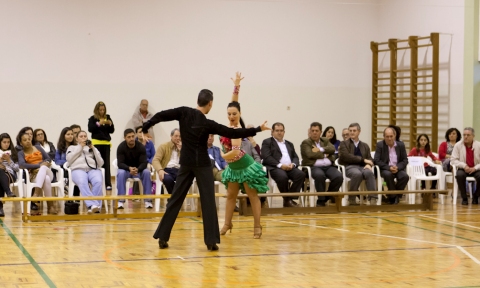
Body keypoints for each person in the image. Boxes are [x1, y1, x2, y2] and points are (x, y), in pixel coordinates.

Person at [142, 87, 270, 251]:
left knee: (175, 199)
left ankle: (162, 236)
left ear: (198, 100)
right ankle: (210, 241)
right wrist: (258, 129)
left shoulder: (183, 112)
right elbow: (232, 133)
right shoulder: (207, 123)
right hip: (202, 164)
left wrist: (146, 125)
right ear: (210, 104)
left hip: (186, 163)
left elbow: (161, 115)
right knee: (208, 200)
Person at [220, 72, 268, 239]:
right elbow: (234, 102)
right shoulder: (228, 126)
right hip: (233, 167)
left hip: (245, 166)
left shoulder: (239, 131)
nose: (232, 116)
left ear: (240, 115)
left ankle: (257, 225)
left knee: (252, 195)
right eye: (229, 114)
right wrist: (237, 85)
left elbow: (236, 152)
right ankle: (227, 223)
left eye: (234, 114)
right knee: (231, 195)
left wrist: (221, 155)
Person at [262, 122, 306, 207]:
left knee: (301, 174)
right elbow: (267, 157)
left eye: (281, 130)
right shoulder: (267, 142)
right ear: (272, 132)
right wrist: (280, 165)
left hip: (290, 167)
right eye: (277, 130)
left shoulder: (289, 144)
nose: (279, 132)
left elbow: (295, 157)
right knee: (283, 177)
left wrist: (293, 164)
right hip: (276, 167)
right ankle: (288, 200)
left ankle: (289, 199)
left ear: (284, 132)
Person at [301, 122, 343, 207]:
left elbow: (332, 149)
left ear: (321, 132)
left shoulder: (325, 140)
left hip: (328, 166)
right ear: (310, 131)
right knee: (320, 175)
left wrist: (320, 149)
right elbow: (310, 154)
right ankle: (321, 200)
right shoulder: (306, 142)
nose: (314, 132)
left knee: (338, 176)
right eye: (312, 130)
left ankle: (326, 196)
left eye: (316, 130)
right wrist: (324, 154)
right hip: (313, 166)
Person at [18, 133, 58, 215]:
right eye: (25, 140)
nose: (28, 141)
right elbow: (22, 165)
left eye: (29, 139)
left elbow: (48, 158)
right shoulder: (21, 153)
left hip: (47, 171)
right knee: (46, 179)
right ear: (21, 143)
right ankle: (50, 206)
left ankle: (36, 193)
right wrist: (38, 165)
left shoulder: (38, 147)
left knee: (43, 169)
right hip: (34, 175)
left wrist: (44, 164)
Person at [66, 130, 105, 213]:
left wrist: (93, 149)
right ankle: (93, 205)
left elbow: (101, 163)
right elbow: (69, 160)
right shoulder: (72, 148)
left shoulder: (92, 148)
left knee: (98, 181)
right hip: (78, 169)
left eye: (85, 136)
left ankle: (93, 207)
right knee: (82, 181)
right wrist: (80, 147)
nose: (83, 138)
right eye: (81, 136)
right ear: (76, 139)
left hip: (92, 169)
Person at [338, 123, 377, 205]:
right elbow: (347, 157)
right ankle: (352, 198)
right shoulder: (344, 144)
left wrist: (369, 164)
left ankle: (373, 198)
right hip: (349, 166)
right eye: (350, 130)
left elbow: (369, 158)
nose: (352, 132)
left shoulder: (364, 145)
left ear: (359, 132)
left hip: (362, 167)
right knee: (357, 174)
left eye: (354, 131)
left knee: (369, 173)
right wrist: (363, 160)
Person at [116, 129, 153, 209]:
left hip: (139, 170)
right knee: (120, 173)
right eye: (129, 137)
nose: (131, 138)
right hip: (126, 170)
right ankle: (120, 201)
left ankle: (148, 201)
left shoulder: (140, 147)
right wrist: (129, 168)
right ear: (125, 138)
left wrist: (138, 169)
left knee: (147, 172)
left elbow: (144, 163)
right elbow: (120, 164)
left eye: (133, 136)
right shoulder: (121, 147)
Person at [374, 127, 409, 204]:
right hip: (385, 169)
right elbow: (376, 160)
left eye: (391, 136)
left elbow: (405, 160)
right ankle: (394, 197)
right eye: (387, 136)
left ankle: (393, 195)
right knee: (388, 175)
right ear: (384, 137)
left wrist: (398, 167)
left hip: (397, 168)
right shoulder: (380, 145)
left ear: (395, 136)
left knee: (405, 176)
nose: (389, 139)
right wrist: (389, 168)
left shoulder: (401, 145)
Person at [88, 101, 114, 190]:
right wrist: (99, 123)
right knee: (96, 163)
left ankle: (108, 183)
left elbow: (112, 130)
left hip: (106, 143)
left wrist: (110, 123)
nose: (102, 111)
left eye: (103, 110)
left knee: (106, 164)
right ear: (97, 110)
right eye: (100, 110)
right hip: (96, 143)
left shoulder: (108, 117)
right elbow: (90, 129)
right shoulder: (93, 119)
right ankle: (96, 182)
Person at [451, 127, 480, 205]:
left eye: (468, 135)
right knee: (459, 175)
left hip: (476, 169)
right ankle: (464, 197)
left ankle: (476, 196)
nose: (465, 137)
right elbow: (453, 160)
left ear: (473, 136)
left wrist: (475, 168)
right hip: (463, 168)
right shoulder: (458, 145)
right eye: (464, 135)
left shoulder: (478, 145)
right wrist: (464, 166)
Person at [152, 128, 181, 194]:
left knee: (187, 180)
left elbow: (187, 161)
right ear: (171, 136)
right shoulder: (163, 146)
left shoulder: (183, 147)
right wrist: (160, 170)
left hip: (179, 170)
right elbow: (155, 160)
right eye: (176, 136)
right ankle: (175, 198)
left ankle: (173, 199)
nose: (178, 138)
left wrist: (182, 150)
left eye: (180, 136)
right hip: (166, 170)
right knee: (168, 180)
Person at [56, 127, 79, 196]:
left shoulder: (77, 147)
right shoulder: (60, 149)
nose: (70, 136)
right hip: (65, 170)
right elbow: (57, 161)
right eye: (68, 134)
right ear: (63, 136)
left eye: (72, 134)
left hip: (75, 169)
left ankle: (76, 199)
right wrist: (68, 162)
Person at [0, 133, 19, 217]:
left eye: (8, 142)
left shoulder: (13, 152)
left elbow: (17, 168)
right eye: (4, 142)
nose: (6, 144)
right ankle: (8, 192)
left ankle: (0, 208)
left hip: (11, 175)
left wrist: (9, 161)